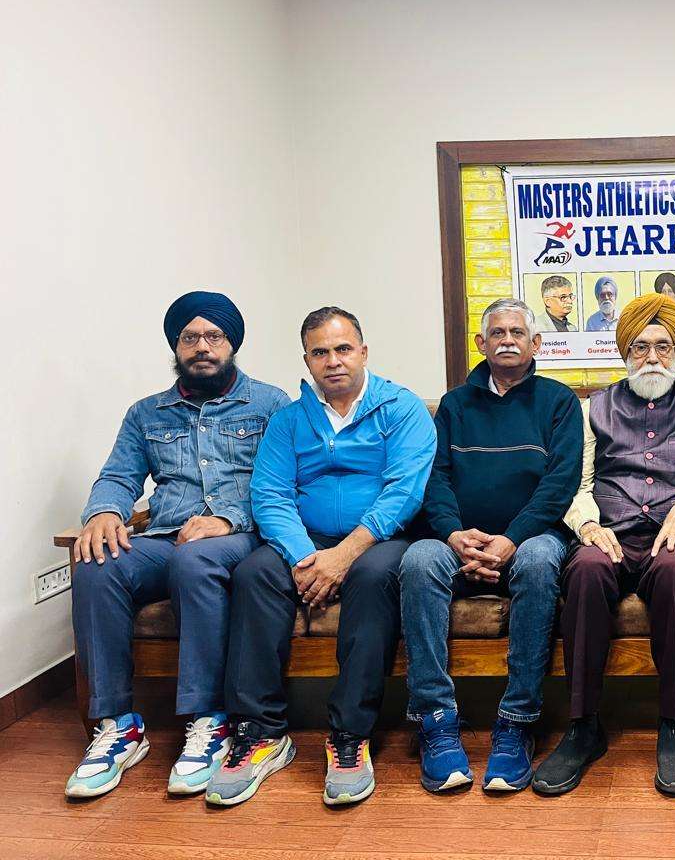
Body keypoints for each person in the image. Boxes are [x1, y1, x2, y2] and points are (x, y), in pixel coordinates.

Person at [206, 306, 435, 808]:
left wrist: (345, 555)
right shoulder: (289, 420)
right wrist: (307, 557)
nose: (333, 361)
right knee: (253, 573)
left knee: (372, 577)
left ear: (364, 352)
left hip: (378, 539)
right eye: (320, 352)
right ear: (307, 360)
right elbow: (269, 494)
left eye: (343, 348)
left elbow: (404, 492)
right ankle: (260, 732)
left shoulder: (401, 408)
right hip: (304, 540)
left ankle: (350, 735)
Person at [65, 292, 289, 800]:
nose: (202, 347)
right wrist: (103, 512)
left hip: (241, 536)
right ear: (176, 346)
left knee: (196, 559)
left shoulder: (271, 404)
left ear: (232, 344)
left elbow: (283, 482)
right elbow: (119, 476)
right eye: (190, 338)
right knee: (97, 564)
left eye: (214, 336)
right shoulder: (146, 413)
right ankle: (117, 725)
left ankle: (209, 719)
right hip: (165, 536)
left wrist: (227, 519)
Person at [532, 294, 675, 798]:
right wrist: (587, 526)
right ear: (624, 351)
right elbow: (577, 483)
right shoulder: (592, 407)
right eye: (640, 347)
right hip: (609, 531)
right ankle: (583, 726)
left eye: (663, 347)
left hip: (671, 530)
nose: (652, 358)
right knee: (585, 570)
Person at [400, 299, 582, 794]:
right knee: (418, 559)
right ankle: (436, 720)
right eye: (497, 333)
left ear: (535, 343)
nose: (507, 340)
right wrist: (453, 535)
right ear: (481, 343)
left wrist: (511, 539)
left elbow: (560, 485)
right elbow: (434, 478)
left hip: (529, 537)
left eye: (517, 332)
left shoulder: (559, 401)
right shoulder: (454, 405)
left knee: (541, 559)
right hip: (461, 538)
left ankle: (517, 721)